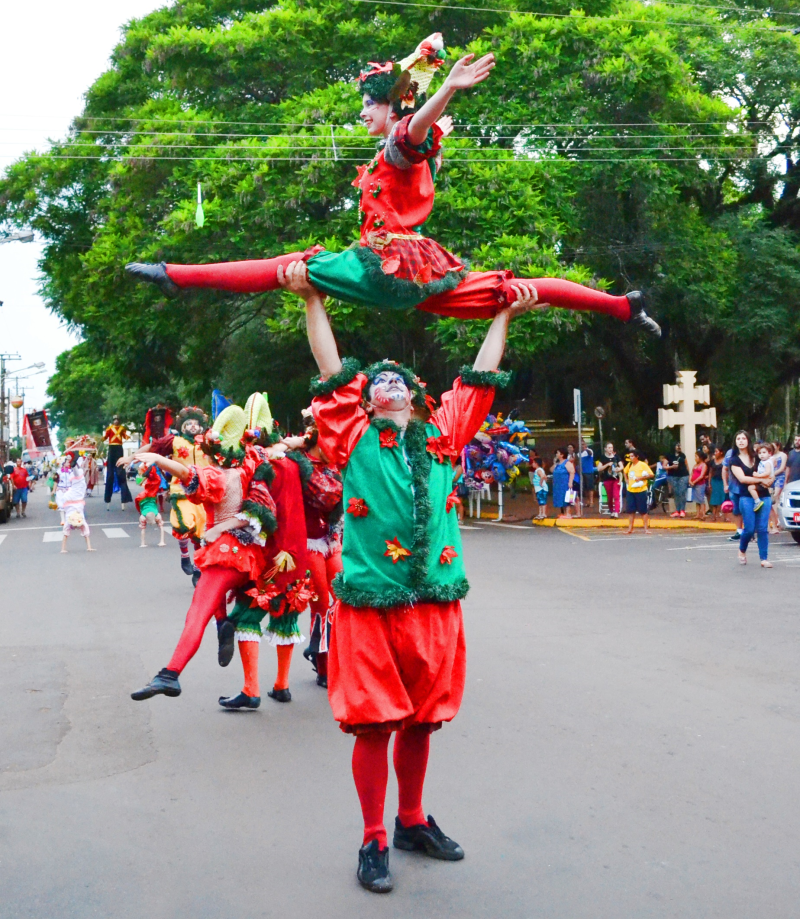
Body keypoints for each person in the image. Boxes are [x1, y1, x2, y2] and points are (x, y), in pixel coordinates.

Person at [281, 258, 538, 894]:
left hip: (434, 605)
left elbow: (478, 378)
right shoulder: (352, 436)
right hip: (372, 604)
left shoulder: (445, 437)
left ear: (419, 397)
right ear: (366, 400)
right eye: (378, 380)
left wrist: (504, 314)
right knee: (374, 724)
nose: (388, 381)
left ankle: (411, 819)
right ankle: (373, 837)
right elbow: (329, 367)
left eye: (399, 378)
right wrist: (312, 298)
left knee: (422, 720)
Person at [125, 33, 660, 337]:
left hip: (382, 266)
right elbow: (415, 122)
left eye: (368, 104)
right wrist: (431, 77)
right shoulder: (402, 153)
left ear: (390, 108)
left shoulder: (398, 144)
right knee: (511, 290)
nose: (362, 113)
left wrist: (445, 89)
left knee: (287, 266)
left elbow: (415, 126)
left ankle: (175, 275)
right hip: (423, 274)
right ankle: (622, 306)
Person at [130, 396, 281, 701]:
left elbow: (187, 474)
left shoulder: (218, 474)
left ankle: (170, 674)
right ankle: (237, 656)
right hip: (253, 557)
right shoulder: (252, 466)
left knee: (198, 612)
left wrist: (158, 459)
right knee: (236, 616)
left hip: (226, 555)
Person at [120, 406, 211, 581]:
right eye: (189, 423)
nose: (193, 426)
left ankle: (198, 568)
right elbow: (151, 446)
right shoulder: (174, 441)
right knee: (184, 524)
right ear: (182, 426)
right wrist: (131, 458)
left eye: (196, 423)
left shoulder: (208, 442)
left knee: (202, 533)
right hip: (182, 490)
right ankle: (184, 555)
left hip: (204, 490)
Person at [728, 430, 773, 568]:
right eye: (738, 439)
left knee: (762, 528)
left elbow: (770, 472)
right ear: (735, 442)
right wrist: (761, 480)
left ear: (748, 440)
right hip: (746, 496)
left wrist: (770, 480)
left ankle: (764, 558)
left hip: (764, 495)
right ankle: (742, 550)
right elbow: (742, 479)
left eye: (743, 438)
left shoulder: (757, 456)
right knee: (749, 529)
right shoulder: (734, 460)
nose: (741, 441)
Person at [102, 415, 133, 509]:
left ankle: (124, 498)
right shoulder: (109, 428)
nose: (116, 421)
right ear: (113, 421)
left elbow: (125, 436)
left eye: (117, 420)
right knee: (110, 474)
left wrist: (128, 437)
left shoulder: (122, 428)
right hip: (112, 448)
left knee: (121, 473)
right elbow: (105, 437)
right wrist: (101, 440)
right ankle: (107, 498)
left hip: (119, 448)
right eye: (114, 419)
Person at [134, 462, 167, 548]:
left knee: (155, 483)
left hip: (148, 498)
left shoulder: (145, 517)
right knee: (155, 483)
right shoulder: (154, 516)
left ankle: (144, 543)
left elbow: (138, 507)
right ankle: (161, 541)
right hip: (146, 498)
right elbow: (137, 506)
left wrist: (140, 511)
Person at [623, 448, 653, 534]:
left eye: (632, 456)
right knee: (631, 511)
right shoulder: (629, 465)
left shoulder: (642, 465)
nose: (631, 458)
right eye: (630, 456)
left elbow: (651, 474)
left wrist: (641, 478)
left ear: (637, 457)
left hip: (641, 490)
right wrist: (626, 480)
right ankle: (630, 528)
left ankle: (646, 528)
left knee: (643, 510)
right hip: (631, 490)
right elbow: (624, 471)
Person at [597, 442, 622, 517]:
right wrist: (607, 464)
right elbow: (599, 468)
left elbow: (621, 466)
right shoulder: (603, 457)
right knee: (609, 497)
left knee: (616, 495)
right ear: (605, 449)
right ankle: (611, 511)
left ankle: (616, 512)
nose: (610, 449)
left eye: (611, 447)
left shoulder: (616, 457)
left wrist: (618, 469)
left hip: (616, 479)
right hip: (607, 479)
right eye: (609, 448)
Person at [748, 442, 774, 512]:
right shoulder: (762, 461)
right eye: (760, 453)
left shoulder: (767, 462)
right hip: (762, 480)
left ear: (769, 453)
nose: (761, 455)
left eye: (764, 452)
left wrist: (758, 475)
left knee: (750, 488)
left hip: (765, 481)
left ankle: (757, 501)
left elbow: (767, 472)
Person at [666, 443, 689, 518]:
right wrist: (672, 467)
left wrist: (689, 475)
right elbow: (664, 466)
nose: (679, 447)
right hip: (672, 476)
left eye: (679, 445)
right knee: (676, 492)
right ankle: (677, 510)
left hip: (683, 475)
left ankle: (682, 510)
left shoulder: (682, 455)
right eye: (677, 445)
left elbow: (686, 465)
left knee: (682, 492)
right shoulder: (669, 455)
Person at [769, 441, 787, 534]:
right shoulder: (770, 456)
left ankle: (778, 520)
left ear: (778, 446)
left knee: (776, 496)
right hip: (770, 478)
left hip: (780, 477)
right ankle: (775, 520)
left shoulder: (783, 455)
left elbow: (782, 468)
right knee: (771, 499)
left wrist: (773, 474)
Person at [551, 448, 575, 518]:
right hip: (558, 484)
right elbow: (551, 470)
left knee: (566, 498)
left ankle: (568, 513)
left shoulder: (567, 463)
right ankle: (564, 513)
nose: (556, 454)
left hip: (564, 483)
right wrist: (554, 463)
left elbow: (572, 472)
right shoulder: (558, 464)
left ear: (562, 455)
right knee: (560, 498)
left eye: (558, 453)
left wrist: (570, 482)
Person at [689, 450, 708, 520]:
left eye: (696, 456)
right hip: (694, 484)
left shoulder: (703, 465)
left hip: (700, 484)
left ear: (700, 457)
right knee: (696, 500)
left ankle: (703, 514)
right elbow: (691, 474)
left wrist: (694, 482)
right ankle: (698, 514)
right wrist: (690, 481)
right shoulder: (695, 465)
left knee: (701, 499)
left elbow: (702, 475)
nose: (695, 458)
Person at [708, 447, 726, 522]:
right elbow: (710, 472)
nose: (715, 453)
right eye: (715, 451)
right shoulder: (713, 461)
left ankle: (724, 516)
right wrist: (709, 482)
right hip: (714, 481)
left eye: (716, 451)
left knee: (723, 498)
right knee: (714, 498)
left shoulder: (725, 461)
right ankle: (714, 515)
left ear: (721, 452)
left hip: (722, 481)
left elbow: (727, 471)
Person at [580, 439, 595, 509]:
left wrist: (586, 449)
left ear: (586, 445)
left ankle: (591, 501)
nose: (582, 446)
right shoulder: (579, 453)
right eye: (581, 445)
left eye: (583, 444)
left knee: (590, 488)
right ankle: (588, 501)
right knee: (585, 488)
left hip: (589, 472)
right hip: (582, 472)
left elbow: (590, 453)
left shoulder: (589, 451)